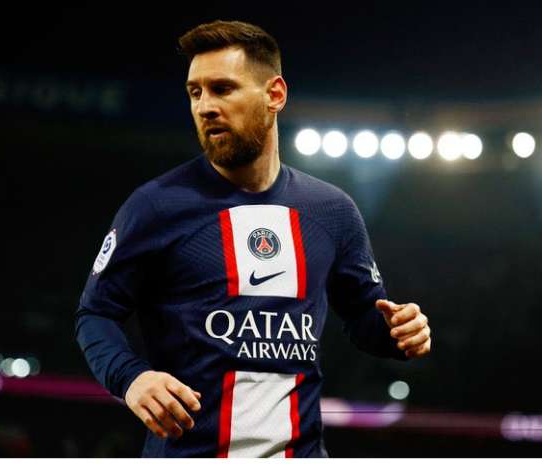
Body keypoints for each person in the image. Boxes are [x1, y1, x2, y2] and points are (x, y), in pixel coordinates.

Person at [75, 20, 431, 458]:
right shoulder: (155, 206)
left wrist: (399, 332)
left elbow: (364, 317)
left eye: (222, 89)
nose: (205, 107)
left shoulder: (331, 211)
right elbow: (95, 313)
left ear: (275, 94)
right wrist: (131, 378)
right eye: (195, 92)